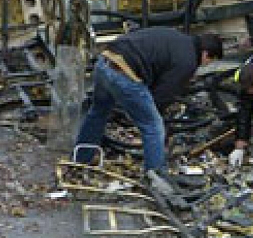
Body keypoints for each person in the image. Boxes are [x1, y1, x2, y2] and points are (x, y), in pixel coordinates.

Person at [74, 27, 223, 171]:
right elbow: (163, 94)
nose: (207, 64)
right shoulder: (188, 61)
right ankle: (156, 175)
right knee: (154, 127)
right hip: (124, 72)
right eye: (210, 61)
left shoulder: (177, 37)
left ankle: (81, 159)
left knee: (98, 112)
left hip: (104, 61)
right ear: (206, 54)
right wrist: (157, 115)